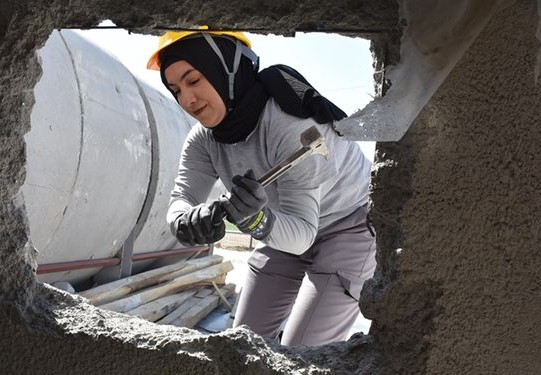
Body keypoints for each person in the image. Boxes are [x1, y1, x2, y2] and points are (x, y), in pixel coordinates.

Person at [146, 28, 376, 347]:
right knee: (243, 344)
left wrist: (256, 221)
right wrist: (184, 221)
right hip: (285, 226)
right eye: (176, 89)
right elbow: (181, 198)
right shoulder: (203, 140)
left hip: (347, 227)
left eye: (194, 80)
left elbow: (302, 234)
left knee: (301, 353)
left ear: (226, 69)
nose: (187, 99)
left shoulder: (292, 126)